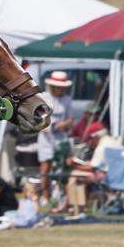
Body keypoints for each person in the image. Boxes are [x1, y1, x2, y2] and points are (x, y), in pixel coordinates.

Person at [36, 71, 73, 206]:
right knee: (46, 166)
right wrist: (50, 126)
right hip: (46, 138)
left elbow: (70, 118)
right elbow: (39, 119)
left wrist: (65, 124)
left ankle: (60, 196)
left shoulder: (67, 99)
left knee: (62, 166)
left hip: (61, 138)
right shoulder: (44, 97)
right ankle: (45, 195)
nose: (61, 89)